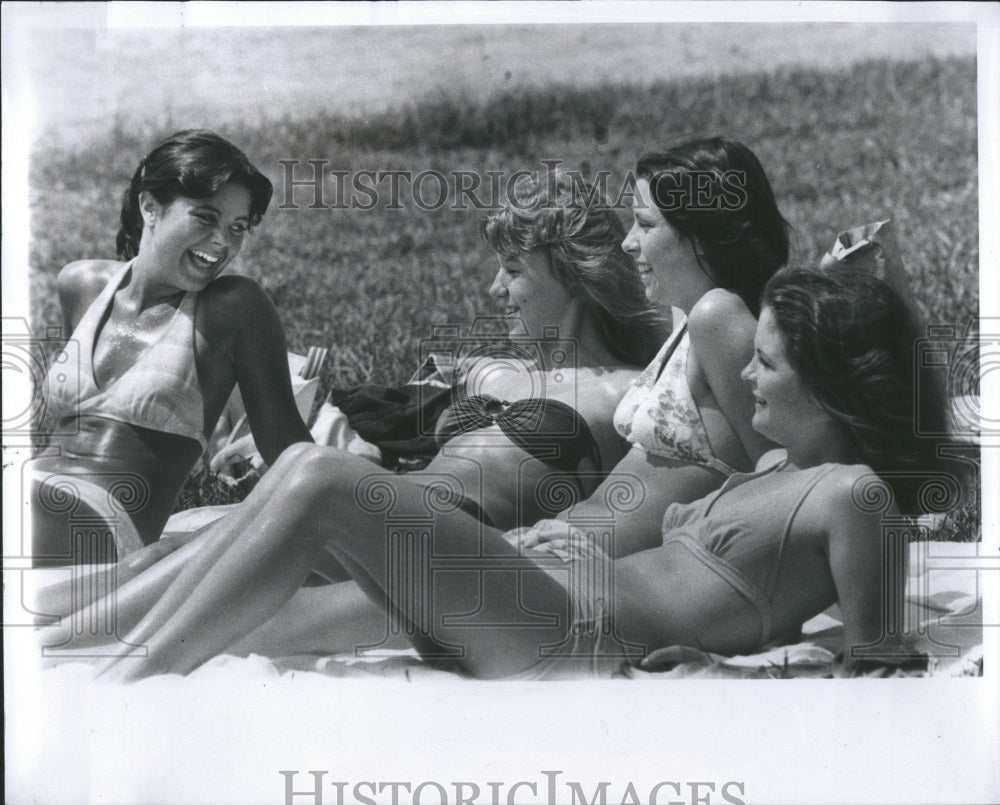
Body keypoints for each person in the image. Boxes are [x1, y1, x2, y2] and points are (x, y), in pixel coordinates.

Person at [86, 264, 953, 680]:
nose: (747, 374)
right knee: (264, 603)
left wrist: (725, 671)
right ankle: (77, 642)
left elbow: (878, 669)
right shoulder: (775, 465)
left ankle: (124, 689)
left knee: (318, 478)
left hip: (568, 633)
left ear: (832, 386)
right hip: (533, 591)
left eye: (768, 363)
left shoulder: (852, 491)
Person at [34, 167, 663, 620]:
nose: (496, 291)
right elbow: (448, 371)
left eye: (515, 271)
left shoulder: (626, 394)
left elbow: (629, 501)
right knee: (167, 557)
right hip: (362, 512)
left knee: (170, 573)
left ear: (571, 273)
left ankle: (48, 635)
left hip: (425, 541)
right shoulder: (506, 373)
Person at [31, 129, 312, 566]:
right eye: (205, 218)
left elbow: (296, 460)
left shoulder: (233, 310)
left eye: (237, 228)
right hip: (32, 495)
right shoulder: (82, 285)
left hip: (98, 528)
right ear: (150, 206)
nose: (223, 242)